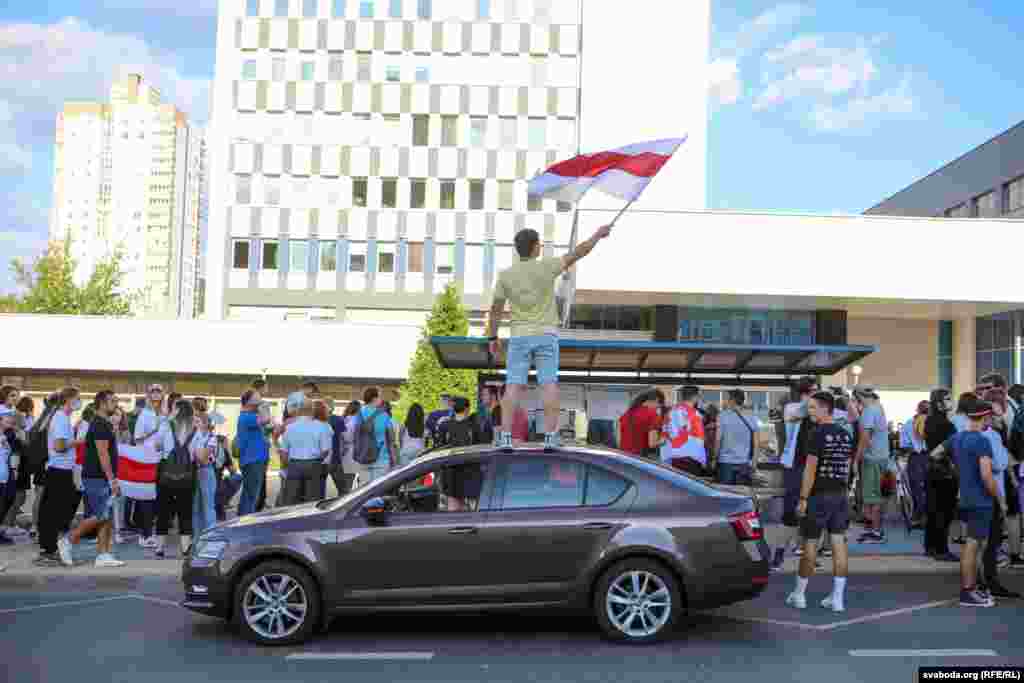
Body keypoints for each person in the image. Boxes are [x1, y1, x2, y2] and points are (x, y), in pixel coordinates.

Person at [486, 224, 613, 450]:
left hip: (519, 336)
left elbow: (495, 309)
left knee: (513, 386)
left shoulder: (505, 275)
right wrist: (597, 235)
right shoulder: (547, 266)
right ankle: (550, 437)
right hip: (546, 334)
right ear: (536, 247)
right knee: (548, 385)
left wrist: (492, 337)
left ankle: (504, 437)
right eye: (539, 244)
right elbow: (580, 252)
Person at [929, 397, 1002, 607]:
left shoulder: (957, 437)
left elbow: (935, 454)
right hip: (980, 500)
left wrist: (953, 468)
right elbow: (987, 476)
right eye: (990, 417)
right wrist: (1000, 499)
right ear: (984, 418)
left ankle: (974, 587)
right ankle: (968, 590)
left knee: (975, 545)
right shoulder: (982, 441)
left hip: (965, 498)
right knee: (973, 545)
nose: (992, 421)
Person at [785, 391, 854, 612]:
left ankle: (799, 594)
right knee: (838, 544)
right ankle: (837, 598)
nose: (810, 412)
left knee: (810, 544)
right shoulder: (845, 435)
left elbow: (810, 470)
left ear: (826, 408)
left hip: (819, 496)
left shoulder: (816, 434)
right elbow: (847, 468)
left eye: (813, 408)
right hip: (840, 495)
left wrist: (803, 498)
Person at [64, 390, 125, 567]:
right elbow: (102, 454)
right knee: (101, 515)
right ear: (102, 404)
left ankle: (103, 554)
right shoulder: (100, 424)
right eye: (112, 401)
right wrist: (112, 479)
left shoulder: (105, 424)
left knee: (105, 517)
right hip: (96, 477)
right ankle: (68, 540)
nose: (116, 404)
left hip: (100, 477)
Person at [773, 377, 819, 571]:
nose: (818, 394)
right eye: (814, 390)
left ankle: (809, 555)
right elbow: (802, 410)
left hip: (813, 466)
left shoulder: (818, 411)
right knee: (790, 513)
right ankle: (779, 555)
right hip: (795, 466)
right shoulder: (792, 408)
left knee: (812, 513)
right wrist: (815, 401)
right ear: (805, 392)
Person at [36, 387, 82, 567]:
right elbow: (59, 446)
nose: (79, 402)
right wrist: (79, 441)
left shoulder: (62, 418)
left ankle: (51, 548)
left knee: (57, 511)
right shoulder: (61, 418)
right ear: (68, 399)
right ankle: (48, 550)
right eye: (77, 398)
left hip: (62, 469)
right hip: (59, 470)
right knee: (54, 512)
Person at [155, 401, 196, 558]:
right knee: (185, 511)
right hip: (187, 475)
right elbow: (198, 455)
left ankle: (160, 548)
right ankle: (185, 548)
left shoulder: (166, 425)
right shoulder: (195, 428)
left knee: (163, 511)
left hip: (166, 474)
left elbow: (157, 446)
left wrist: (167, 420)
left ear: (176, 411)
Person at [923, 389, 959, 562]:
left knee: (933, 510)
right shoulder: (947, 425)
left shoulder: (929, 421)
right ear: (939, 404)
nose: (951, 401)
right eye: (947, 399)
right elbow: (952, 449)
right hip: (945, 472)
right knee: (944, 512)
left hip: (932, 470)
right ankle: (941, 549)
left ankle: (930, 547)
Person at [278, 393, 331, 506]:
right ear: (312, 410)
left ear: (300, 410)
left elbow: (283, 451)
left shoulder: (290, 427)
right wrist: (317, 459)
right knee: (312, 501)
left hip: (294, 464)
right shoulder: (321, 426)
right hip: (314, 464)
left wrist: (287, 464)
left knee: (292, 500)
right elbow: (326, 450)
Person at [853, 387, 889, 544]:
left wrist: (856, 460)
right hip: (880, 457)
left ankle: (876, 532)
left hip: (872, 459)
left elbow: (865, 438)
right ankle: (873, 530)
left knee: (873, 497)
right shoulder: (878, 408)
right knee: (873, 496)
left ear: (858, 397)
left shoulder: (868, 411)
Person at [237, 389, 271, 516]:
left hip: (256, 459)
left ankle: (244, 518)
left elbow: (266, 426)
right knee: (251, 495)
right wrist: (263, 406)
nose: (260, 398)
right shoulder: (247, 417)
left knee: (250, 494)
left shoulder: (251, 416)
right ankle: (245, 519)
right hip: (253, 460)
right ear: (249, 401)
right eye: (257, 396)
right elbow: (266, 419)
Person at [662, 386, 707, 476]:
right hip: (691, 458)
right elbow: (699, 439)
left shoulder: (670, 412)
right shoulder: (696, 415)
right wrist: (703, 459)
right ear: (695, 397)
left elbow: (664, 434)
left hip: (672, 457)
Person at [717, 389, 759, 485]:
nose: (726, 401)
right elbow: (757, 444)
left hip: (725, 462)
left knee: (725, 492)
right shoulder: (752, 417)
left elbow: (718, 440)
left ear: (732, 401)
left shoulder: (722, 416)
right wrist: (754, 463)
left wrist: (714, 459)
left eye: (728, 399)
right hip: (744, 463)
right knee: (742, 492)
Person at [901, 400, 930, 527]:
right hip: (931, 457)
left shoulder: (909, 423)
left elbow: (904, 445)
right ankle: (927, 517)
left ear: (917, 409)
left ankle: (918, 516)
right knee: (929, 488)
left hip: (916, 458)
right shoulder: (933, 422)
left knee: (916, 488)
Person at [359, 388, 396, 484]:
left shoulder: (358, 414)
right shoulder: (384, 416)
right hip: (381, 460)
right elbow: (391, 440)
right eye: (380, 397)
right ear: (374, 398)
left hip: (363, 458)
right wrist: (394, 460)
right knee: (379, 489)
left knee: (364, 490)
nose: (381, 399)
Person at [191, 411, 219, 536]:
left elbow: (203, 458)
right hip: (194, 471)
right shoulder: (193, 436)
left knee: (208, 506)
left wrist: (197, 452)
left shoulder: (211, 437)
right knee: (195, 507)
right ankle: (197, 536)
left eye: (197, 421)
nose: (194, 424)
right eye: (194, 421)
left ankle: (211, 536)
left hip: (206, 471)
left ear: (206, 423)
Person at [618, 390, 663, 459]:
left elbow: (618, 440)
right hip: (640, 459)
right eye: (659, 405)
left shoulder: (626, 414)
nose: (658, 408)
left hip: (623, 457)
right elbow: (652, 444)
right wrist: (664, 440)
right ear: (656, 400)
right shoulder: (653, 415)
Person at [332, 400, 361, 495]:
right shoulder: (357, 421)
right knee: (348, 485)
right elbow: (348, 437)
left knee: (344, 487)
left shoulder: (342, 420)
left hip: (341, 455)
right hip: (351, 454)